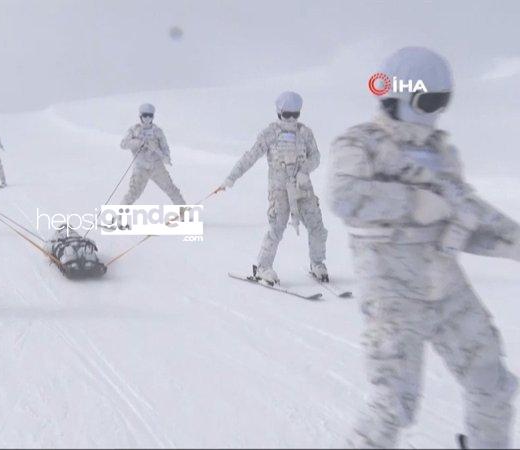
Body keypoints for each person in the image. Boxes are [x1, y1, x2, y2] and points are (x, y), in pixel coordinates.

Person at [329, 47, 520, 449]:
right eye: (429, 101)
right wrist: (414, 204)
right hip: (392, 289)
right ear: (402, 95)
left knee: (493, 382)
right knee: (394, 403)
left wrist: (512, 239)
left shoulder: (441, 152)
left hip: (444, 283)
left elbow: (467, 215)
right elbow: (344, 196)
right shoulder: (361, 143)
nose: (436, 113)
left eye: (442, 102)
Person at [217, 92, 328, 285]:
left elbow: (316, 157)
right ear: (279, 113)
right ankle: (263, 268)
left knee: (317, 227)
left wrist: (305, 169)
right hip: (280, 191)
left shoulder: (305, 133)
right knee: (276, 228)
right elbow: (250, 157)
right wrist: (230, 178)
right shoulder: (270, 133)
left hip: (303, 188)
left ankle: (317, 263)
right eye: (287, 114)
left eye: (296, 114)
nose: (292, 119)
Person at [119, 103, 186, 206]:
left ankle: (183, 213)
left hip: (156, 166)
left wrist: (163, 155)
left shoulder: (157, 131)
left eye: (150, 115)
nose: (147, 118)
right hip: (140, 167)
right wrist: (138, 142)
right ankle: (120, 218)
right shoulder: (134, 130)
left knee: (171, 189)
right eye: (145, 115)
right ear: (140, 115)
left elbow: (165, 149)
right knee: (133, 193)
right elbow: (123, 144)